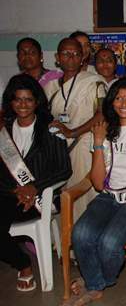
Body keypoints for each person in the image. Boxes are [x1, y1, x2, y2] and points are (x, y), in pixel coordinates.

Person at [63, 78, 126, 306]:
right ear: (111, 100)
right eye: (118, 98)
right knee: (81, 233)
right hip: (109, 195)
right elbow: (97, 183)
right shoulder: (104, 129)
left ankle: (96, 282)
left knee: (109, 243)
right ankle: (95, 283)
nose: (124, 103)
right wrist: (98, 142)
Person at [0, 74, 71, 292]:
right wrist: (16, 190)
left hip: (41, 198)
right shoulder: (3, 130)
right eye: (18, 99)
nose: (23, 104)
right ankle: (22, 261)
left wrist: (34, 187)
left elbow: (64, 169)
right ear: (10, 102)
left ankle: (24, 267)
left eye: (28, 99)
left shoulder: (51, 129)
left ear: (37, 101)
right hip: (9, 194)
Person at [44, 37, 106, 222]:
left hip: (86, 145)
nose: (70, 58)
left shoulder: (94, 82)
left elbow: (102, 114)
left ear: (82, 57)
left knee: (86, 197)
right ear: (57, 57)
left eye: (75, 54)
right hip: (59, 150)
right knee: (65, 199)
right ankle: (67, 247)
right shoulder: (51, 87)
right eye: (65, 53)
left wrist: (73, 132)